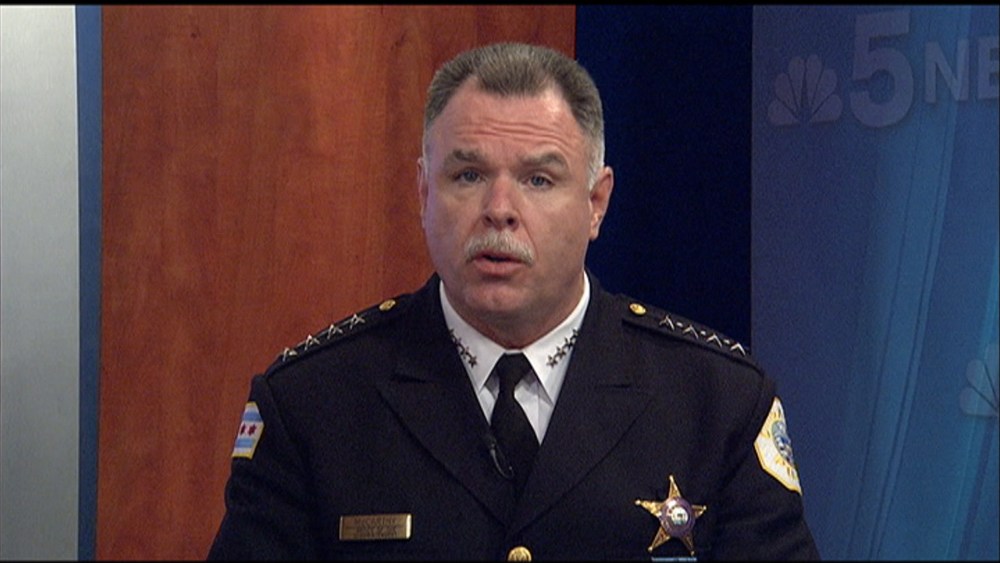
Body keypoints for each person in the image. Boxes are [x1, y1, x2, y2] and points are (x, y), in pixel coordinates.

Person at [207, 42, 820, 560]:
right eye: (468, 175)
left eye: (538, 180)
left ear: (596, 204)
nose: (499, 210)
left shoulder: (717, 401)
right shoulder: (311, 405)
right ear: (423, 192)